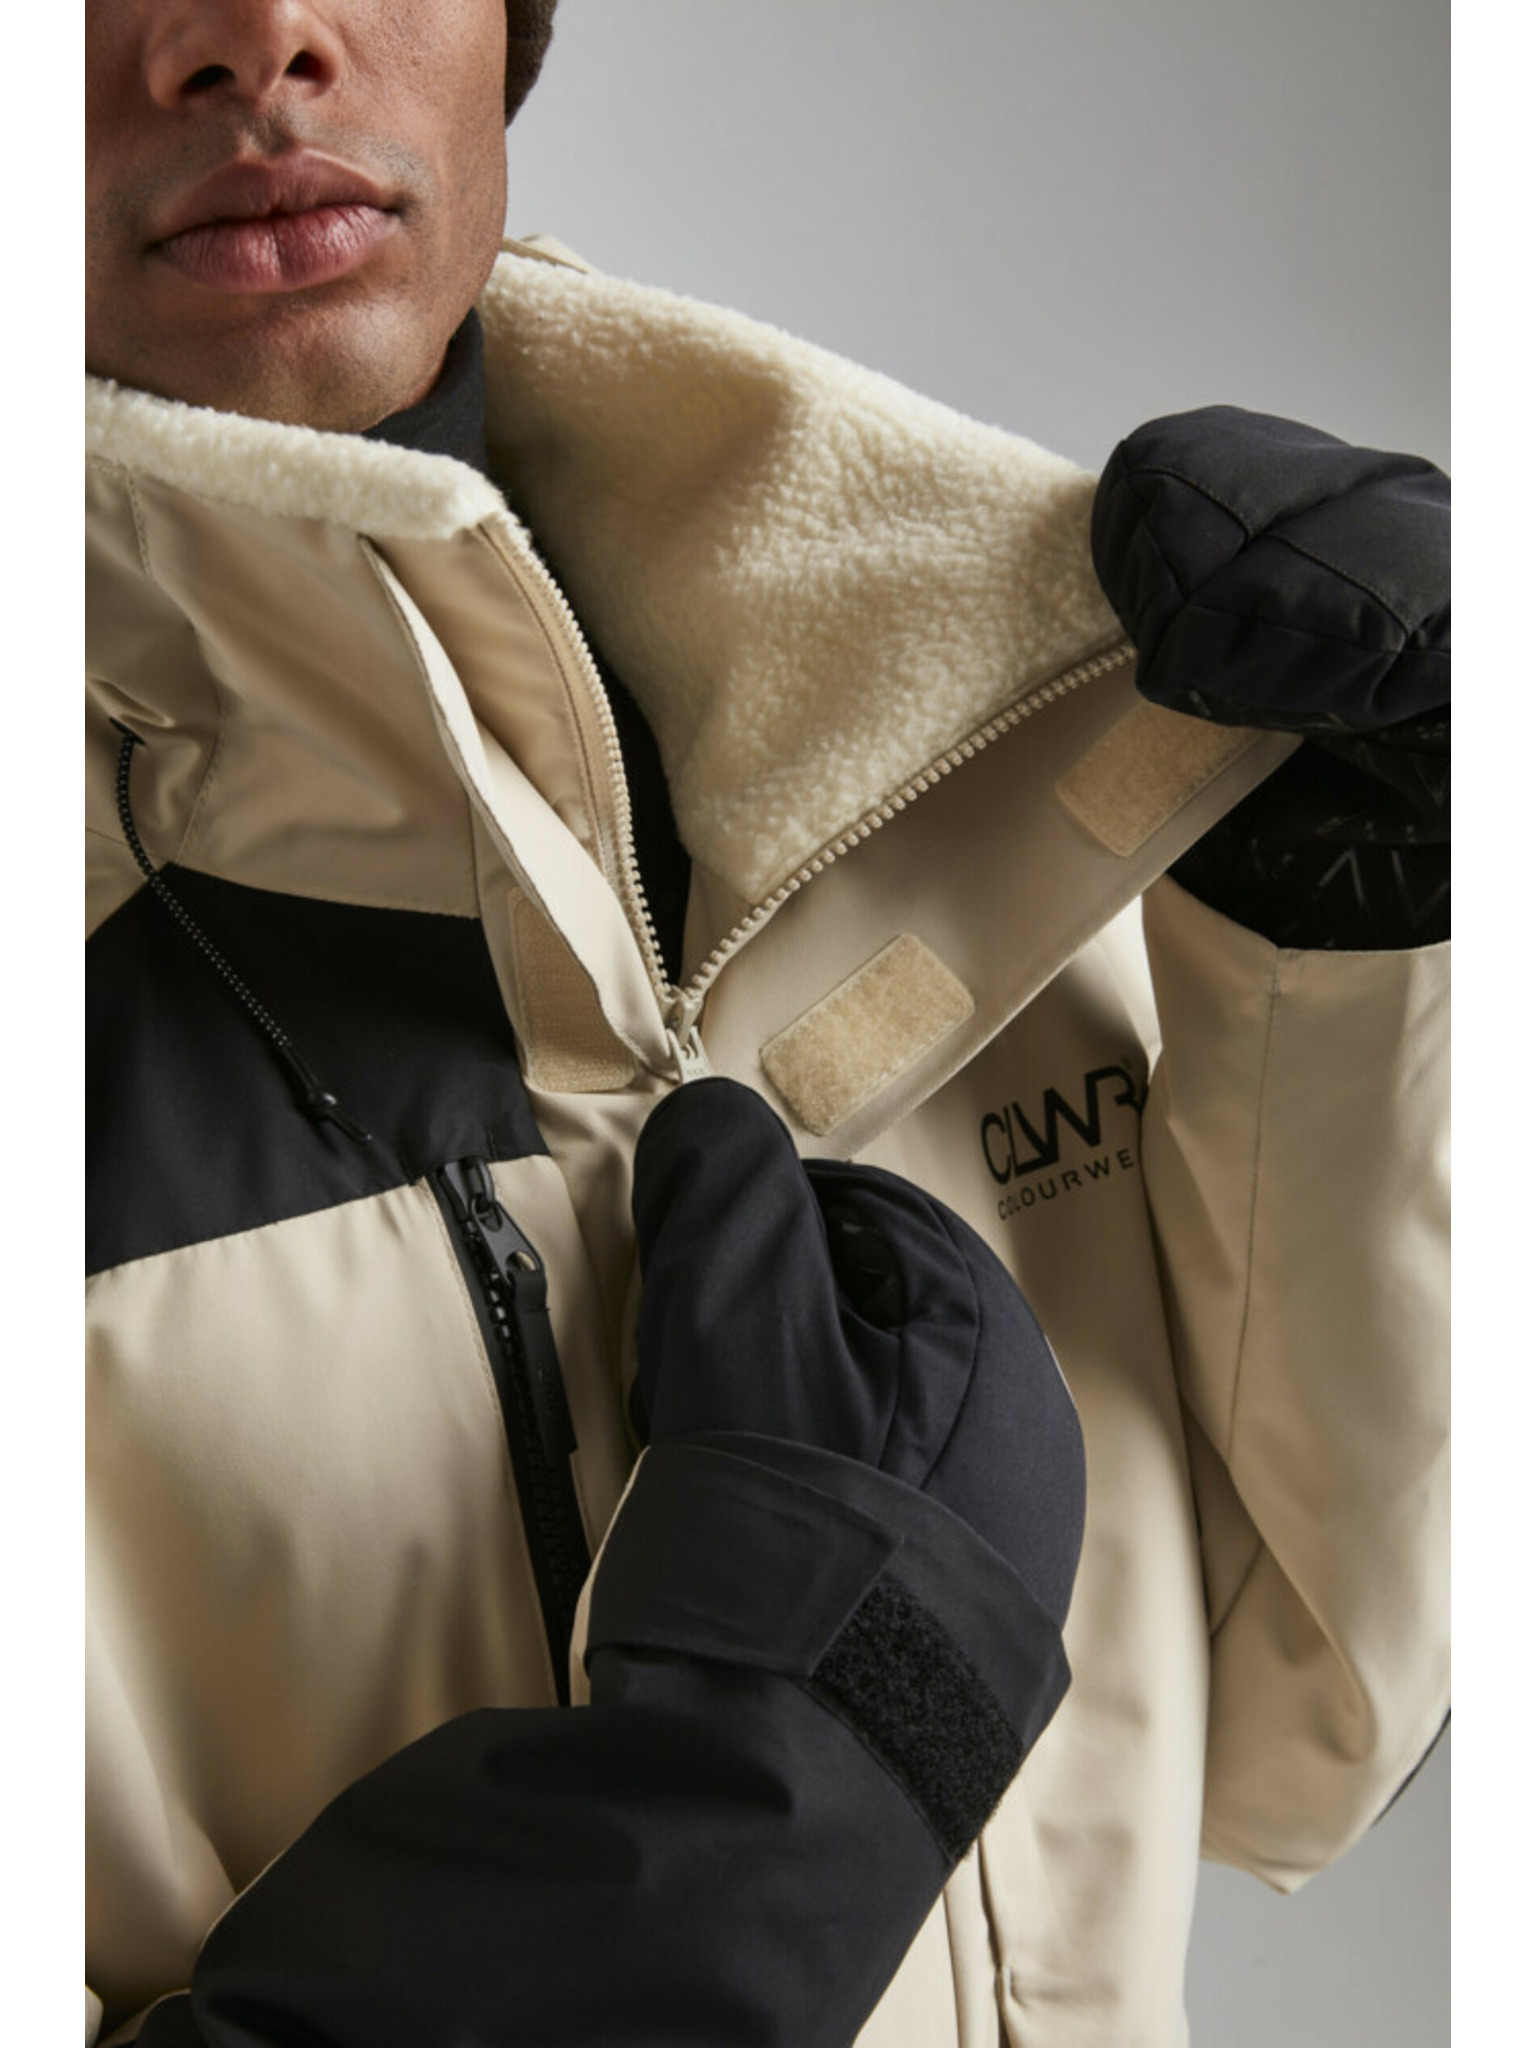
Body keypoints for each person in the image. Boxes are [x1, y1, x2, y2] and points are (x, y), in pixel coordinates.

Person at [85, 3, 1450, 2043]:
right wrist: (762, 1816)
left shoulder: (928, 756)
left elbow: (1290, 1742)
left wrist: (1360, 951)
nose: (262, 35)